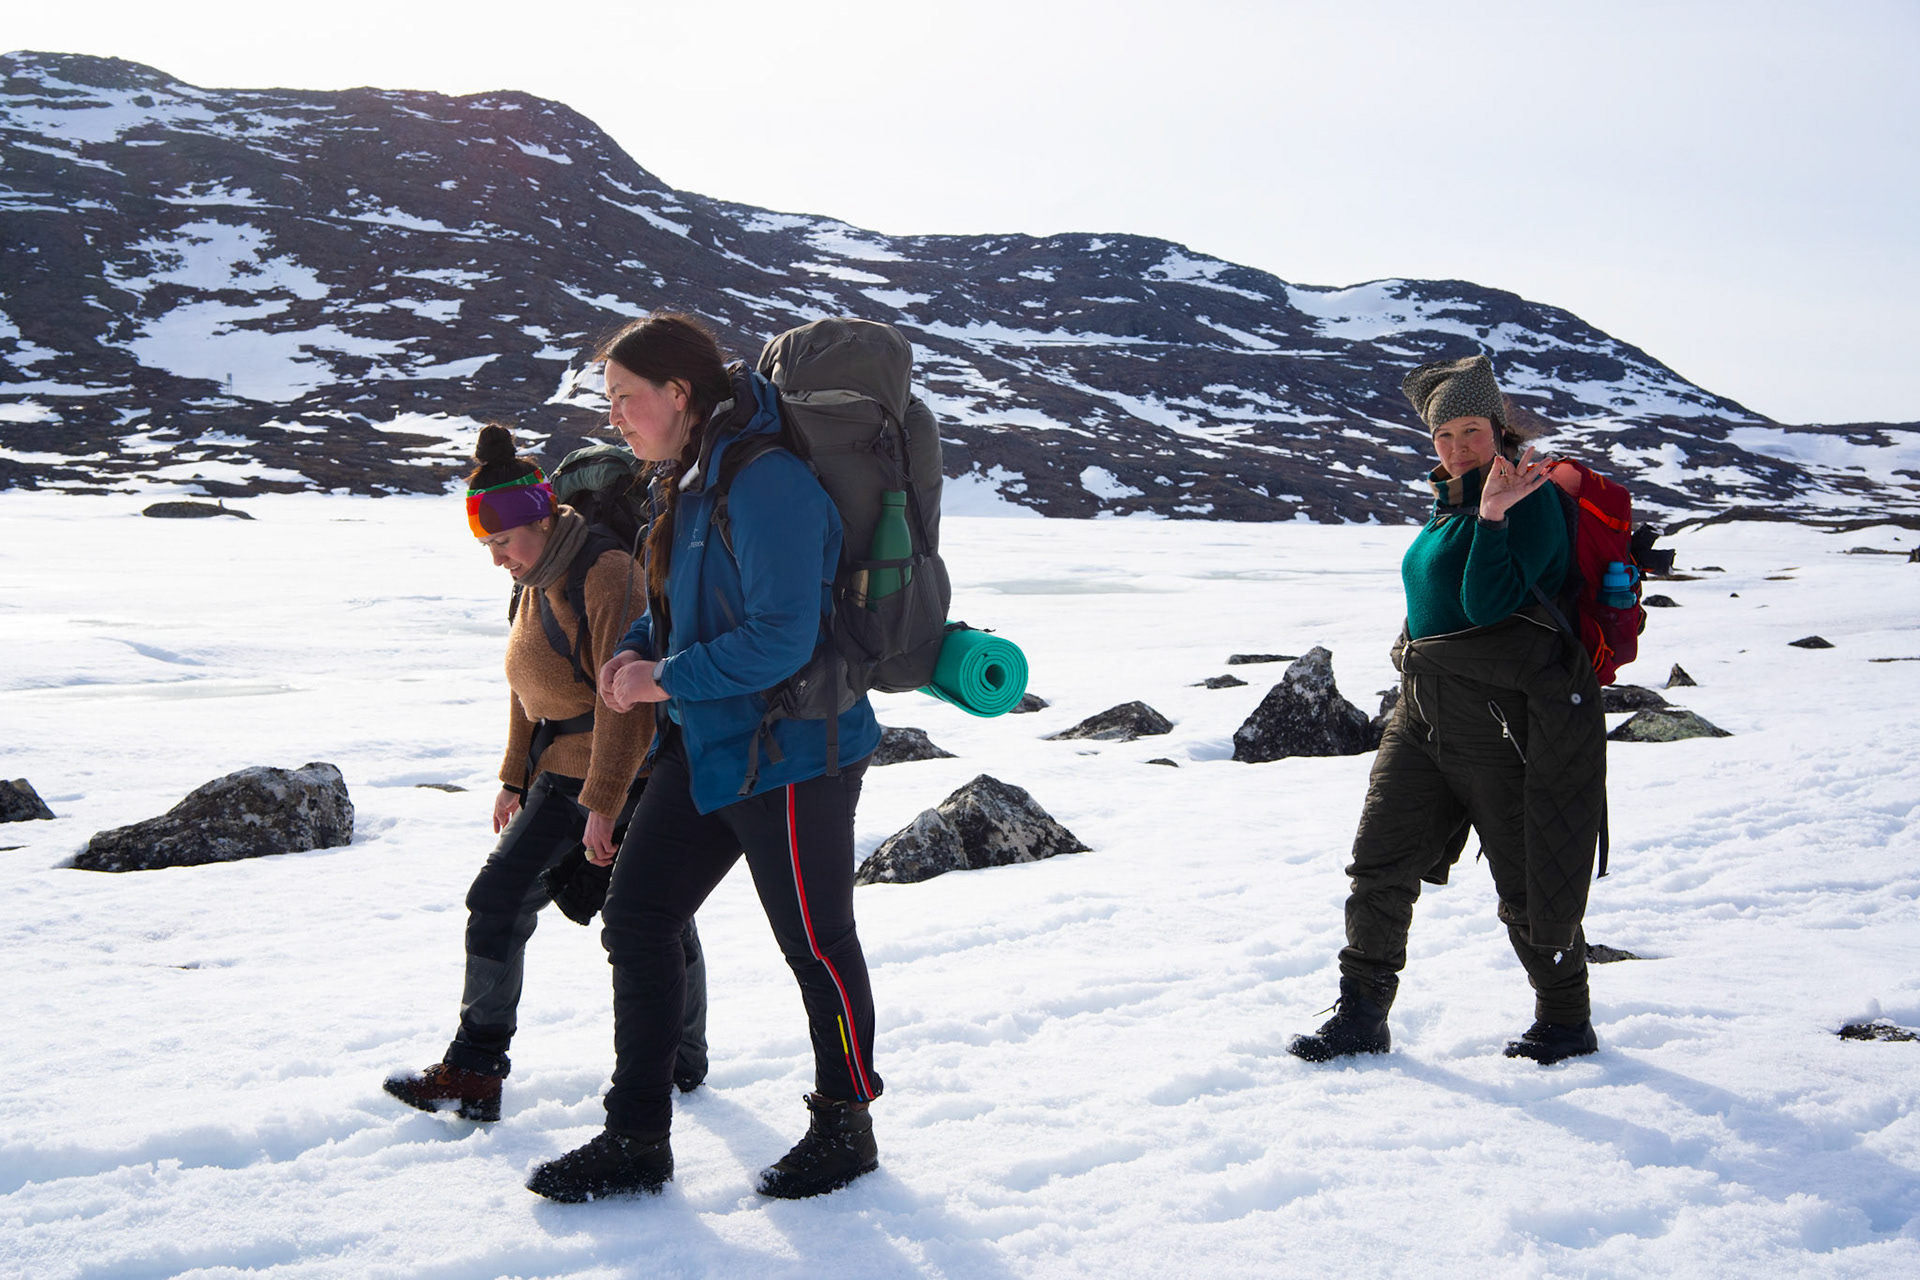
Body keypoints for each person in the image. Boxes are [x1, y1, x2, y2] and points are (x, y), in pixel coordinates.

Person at [525, 312, 886, 1203]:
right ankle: (637, 1134)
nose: (613, 416)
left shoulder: (767, 484)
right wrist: (635, 649)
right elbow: (672, 601)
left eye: (624, 398)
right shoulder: (683, 482)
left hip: (798, 754)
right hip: (711, 746)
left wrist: (662, 678)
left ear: (678, 394)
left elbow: (782, 640)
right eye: (606, 400)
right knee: (638, 919)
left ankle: (847, 1123)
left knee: (816, 944)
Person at [1288, 354, 1607, 1067]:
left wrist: (1493, 517)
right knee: (1378, 863)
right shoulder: (1449, 499)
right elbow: (1431, 602)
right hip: (1423, 715)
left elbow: (1488, 607)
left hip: (1503, 723)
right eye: (1443, 436)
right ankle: (1360, 1015)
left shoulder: (1531, 497)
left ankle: (1565, 1021)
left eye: (1470, 430)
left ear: (1498, 428)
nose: (1458, 446)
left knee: (1527, 883)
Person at [383, 424, 709, 1123]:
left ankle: (674, 1060)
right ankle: (483, 1070)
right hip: (561, 777)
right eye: (488, 547)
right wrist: (511, 776)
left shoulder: (605, 572)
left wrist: (606, 802)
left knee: (637, 917)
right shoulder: (538, 578)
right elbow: (525, 682)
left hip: (616, 779)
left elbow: (624, 701)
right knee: (539, 904)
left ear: (539, 517)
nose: (496, 559)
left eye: (503, 542)